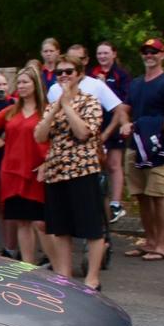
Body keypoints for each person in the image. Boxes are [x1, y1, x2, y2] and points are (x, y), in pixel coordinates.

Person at [35, 55, 105, 289]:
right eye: (59, 72)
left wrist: (67, 105)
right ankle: (64, 276)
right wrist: (56, 108)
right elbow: (39, 136)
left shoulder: (90, 101)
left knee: (92, 227)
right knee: (60, 228)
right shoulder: (51, 105)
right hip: (57, 172)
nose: (63, 76)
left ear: (79, 74)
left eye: (68, 71)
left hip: (83, 170)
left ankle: (92, 278)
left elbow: (84, 132)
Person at [120, 38, 164, 261]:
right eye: (145, 52)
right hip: (135, 147)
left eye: (153, 52)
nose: (149, 55)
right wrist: (125, 123)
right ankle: (148, 241)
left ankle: (161, 244)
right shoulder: (137, 83)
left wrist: (150, 126)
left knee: (157, 195)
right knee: (140, 195)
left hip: (158, 148)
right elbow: (124, 108)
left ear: (162, 55)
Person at [0, 67, 49, 264]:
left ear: (36, 84)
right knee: (22, 222)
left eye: (26, 82)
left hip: (36, 172)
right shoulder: (11, 110)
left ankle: (56, 265)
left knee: (41, 223)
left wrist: (47, 163)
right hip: (12, 172)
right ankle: (27, 265)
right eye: (19, 82)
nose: (22, 86)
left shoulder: (46, 111)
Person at [89, 41, 132, 223]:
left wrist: (105, 86)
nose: (103, 56)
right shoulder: (91, 73)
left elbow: (124, 103)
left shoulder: (121, 74)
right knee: (98, 164)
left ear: (114, 54)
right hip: (95, 125)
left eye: (106, 53)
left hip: (114, 124)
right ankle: (98, 201)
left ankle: (116, 203)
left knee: (114, 164)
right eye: (99, 53)